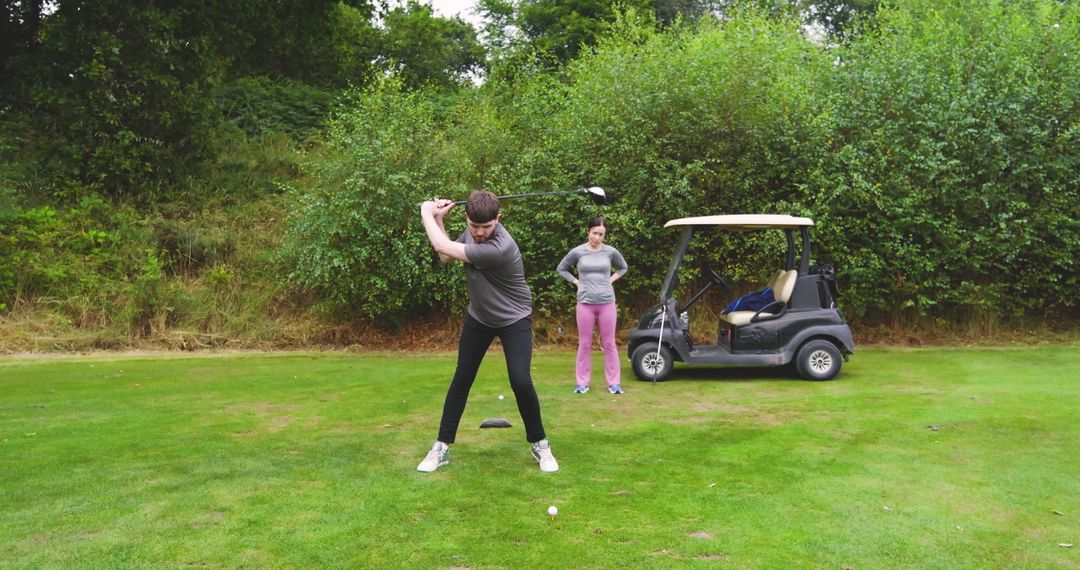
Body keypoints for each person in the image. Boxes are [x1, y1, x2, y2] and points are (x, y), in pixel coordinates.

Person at [416, 190, 559, 473]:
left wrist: (425, 212)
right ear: (467, 218)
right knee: (462, 378)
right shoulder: (472, 235)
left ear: (498, 219)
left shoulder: (500, 247)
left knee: (520, 381)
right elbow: (446, 255)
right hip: (480, 317)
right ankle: (441, 447)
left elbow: (442, 246)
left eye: (486, 226)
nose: (480, 233)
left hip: (514, 318)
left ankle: (540, 443)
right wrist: (440, 219)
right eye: (474, 226)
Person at [556, 217, 628, 395]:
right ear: (588, 231)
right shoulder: (578, 252)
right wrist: (576, 282)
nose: (597, 237)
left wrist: (610, 280)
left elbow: (623, 268)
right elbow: (562, 268)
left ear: (605, 235)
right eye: (594, 233)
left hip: (607, 303)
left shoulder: (610, 252)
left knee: (609, 344)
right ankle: (582, 383)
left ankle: (614, 383)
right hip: (585, 303)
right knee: (585, 344)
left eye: (601, 234)